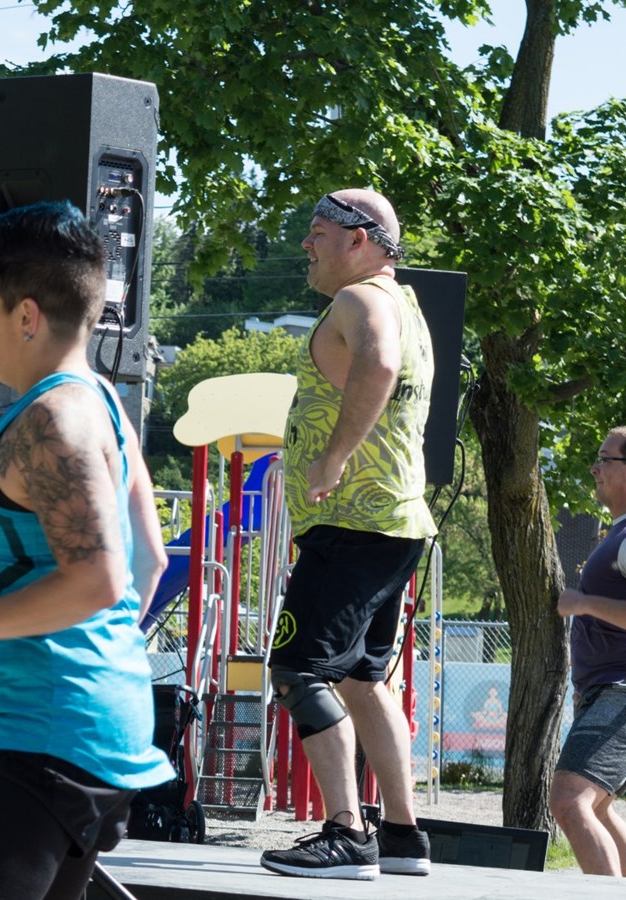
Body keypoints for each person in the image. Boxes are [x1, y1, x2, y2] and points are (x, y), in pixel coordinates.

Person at [0, 201, 172, 900]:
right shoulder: (104, 404)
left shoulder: (53, 419)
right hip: (87, 728)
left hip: (43, 742)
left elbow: (100, 577)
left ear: (27, 316)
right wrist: (103, 662)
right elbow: (151, 561)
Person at [258, 188, 436, 880]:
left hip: (353, 521)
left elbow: (378, 367)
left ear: (360, 239)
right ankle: (400, 834)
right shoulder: (404, 303)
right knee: (362, 677)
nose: (307, 244)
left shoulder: (359, 301)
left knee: (298, 668)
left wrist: (330, 456)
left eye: (318, 231)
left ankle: (345, 833)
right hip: (391, 521)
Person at [551, 426, 626, 876]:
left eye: (605, 458)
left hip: (619, 692)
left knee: (569, 801)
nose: (594, 468)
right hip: (604, 691)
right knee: (595, 807)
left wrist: (580, 603)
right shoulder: (615, 534)